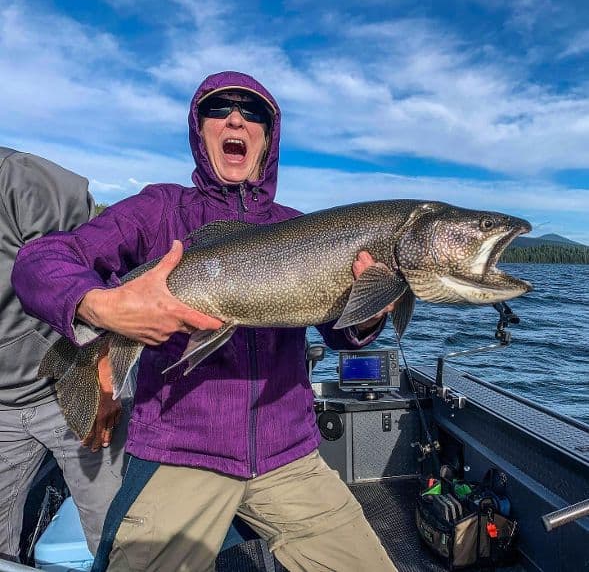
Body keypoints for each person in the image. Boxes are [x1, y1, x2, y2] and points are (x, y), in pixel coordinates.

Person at [12, 72, 398, 572]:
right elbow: (41, 260)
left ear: (268, 135)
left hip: (291, 455)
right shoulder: (158, 210)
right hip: (180, 451)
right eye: (221, 109)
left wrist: (372, 307)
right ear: (201, 130)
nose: (236, 118)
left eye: (252, 112)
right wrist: (101, 308)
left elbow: (340, 334)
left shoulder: (303, 228)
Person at [0, 148, 129, 562]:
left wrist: (105, 380)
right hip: (2, 409)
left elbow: (102, 272)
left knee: (116, 541)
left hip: (71, 388)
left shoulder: (22, 181)